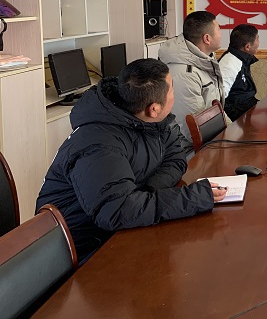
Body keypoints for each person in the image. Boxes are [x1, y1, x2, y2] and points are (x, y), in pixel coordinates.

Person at [35, 59, 226, 264]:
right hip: (79, 252)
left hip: (117, 231)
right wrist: (193, 197)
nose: (174, 94)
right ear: (154, 108)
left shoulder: (150, 119)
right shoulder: (99, 144)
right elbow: (117, 211)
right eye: (172, 89)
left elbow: (176, 157)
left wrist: (147, 193)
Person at [158, 10, 225, 152]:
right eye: (219, 29)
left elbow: (217, 112)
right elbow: (194, 131)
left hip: (210, 142)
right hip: (187, 151)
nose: (221, 34)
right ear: (207, 38)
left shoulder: (204, 61)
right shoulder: (184, 74)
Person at [219, 24, 260, 121]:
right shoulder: (229, 64)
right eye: (257, 39)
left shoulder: (241, 58)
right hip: (239, 120)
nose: (259, 42)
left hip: (249, 111)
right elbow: (221, 102)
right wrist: (243, 119)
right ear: (247, 47)